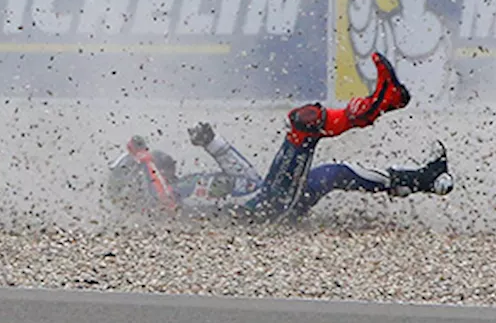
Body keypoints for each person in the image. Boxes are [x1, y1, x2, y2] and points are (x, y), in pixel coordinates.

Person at [106, 52, 454, 221]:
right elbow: (165, 201)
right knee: (304, 123)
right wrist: (144, 159)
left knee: (335, 173)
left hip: (267, 198)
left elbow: (244, 180)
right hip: (266, 208)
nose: (163, 160)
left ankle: (426, 179)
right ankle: (379, 104)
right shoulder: (165, 208)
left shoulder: (186, 185)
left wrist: (215, 144)